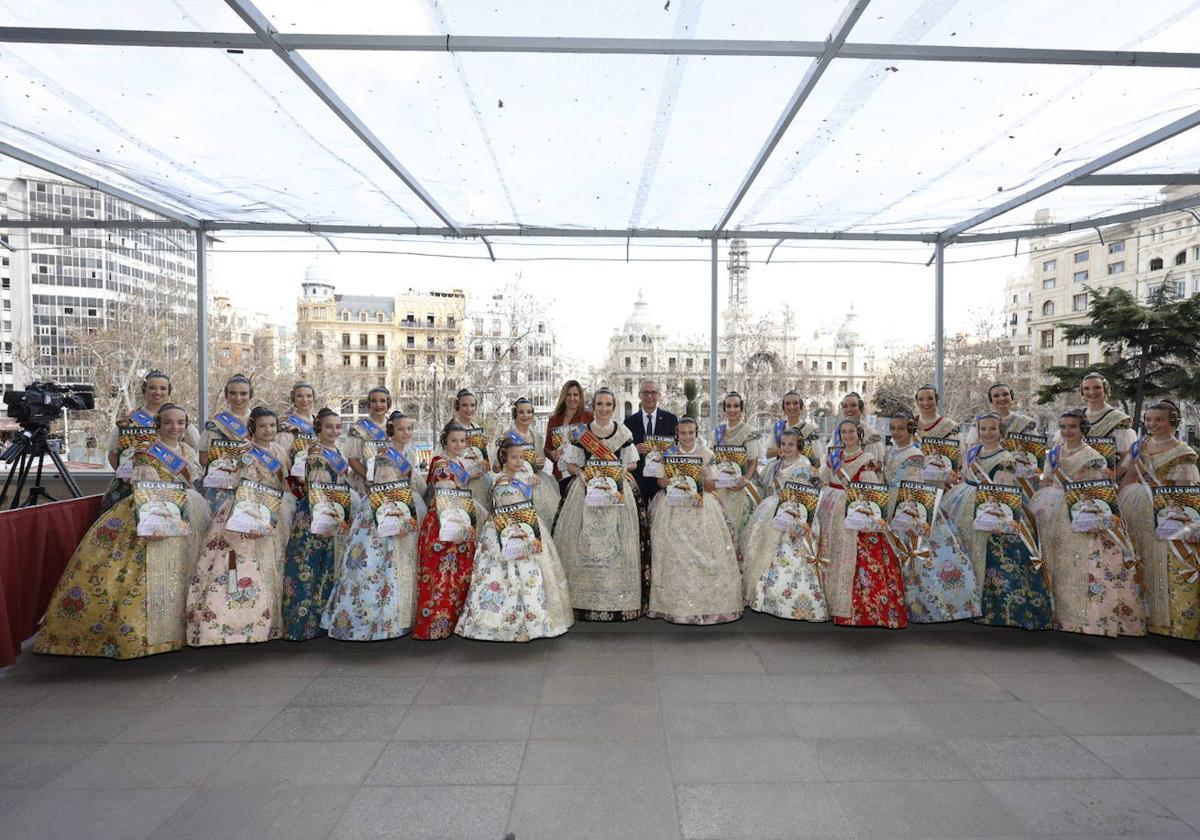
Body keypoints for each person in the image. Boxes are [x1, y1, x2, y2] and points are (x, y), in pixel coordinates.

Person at [36, 404, 209, 659]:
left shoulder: (186, 451)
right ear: (158, 425)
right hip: (154, 511)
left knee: (181, 570)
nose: (175, 427)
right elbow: (144, 488)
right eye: (169, 422)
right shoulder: (146, 452)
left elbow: (192, 480)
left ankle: (178, 629)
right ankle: (143, 634)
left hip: (186, 511)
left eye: (181, 422)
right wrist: (154, 521)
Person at [187, 406, 294, 646]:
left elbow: (284, 483)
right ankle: (240, 625)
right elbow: (241, 485)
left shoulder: (279, 450)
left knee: (276, 563)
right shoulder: (245, 453)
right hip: (247, 511)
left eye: (272, 425)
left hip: (275, 510)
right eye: (263, 426)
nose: (268, 430)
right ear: (252, 428)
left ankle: (273, 622)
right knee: (243, 565)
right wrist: (250, 519)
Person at [1031, 409, 1144, 637]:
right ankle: (1054, 613)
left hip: (1080, 510)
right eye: (1063, 427)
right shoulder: (1053, 452)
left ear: (1083, 428)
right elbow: (1048, 481)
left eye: (1072, 427)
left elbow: (1097, 490)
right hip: (1050, 508)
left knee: (1082, 562)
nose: (1067, 431)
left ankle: (1083, 618)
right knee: (1051, 558)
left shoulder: (1093, 456)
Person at [456, 439, 574, 641]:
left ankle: (535, 619)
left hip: (526, 525)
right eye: (514, 457)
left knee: (533, 575)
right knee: (504, 576)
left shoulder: (523, 476)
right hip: (506, 530)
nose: (519, 461)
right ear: (504, 458)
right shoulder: (501, 481)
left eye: (521, 457)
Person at [322, 410, 422, 641]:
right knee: (377, 565)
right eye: (400, 429)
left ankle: (400, 617)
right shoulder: (385, 455)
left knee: (400, 564)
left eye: (409, 429)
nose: (406, 433)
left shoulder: (410, 452)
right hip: (384, 509)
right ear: (391, 431)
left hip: (404, 505)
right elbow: (385, 487)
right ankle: (374, 620)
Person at [553, 387, 644, 621]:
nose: (604, 409)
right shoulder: (581, 434)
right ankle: (581, 600)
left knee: (620, 544)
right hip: (585, 493)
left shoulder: (623, 432)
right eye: (600, 404)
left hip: (617, 494)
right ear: (593, 408)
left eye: (608, 405)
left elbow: (632, 462)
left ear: (614, 407)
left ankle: (620, 601)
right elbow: (571, 463)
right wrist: (581, 474)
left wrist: (621, 470)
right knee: (581, 542)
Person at [884, 411, 979, 622]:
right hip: (890, 502)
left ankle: (928, 606)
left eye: (901, 428)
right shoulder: (889, 451)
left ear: (910, 430)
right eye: (893, 428)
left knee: (917, 553)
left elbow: (916, 485)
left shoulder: (915, 454)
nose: (897, 432)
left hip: (908, 504)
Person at [1116, 399, 1200, 640]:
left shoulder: (1182, 452)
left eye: (1160, 419)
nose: (1154, 424)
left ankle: (1167, 621)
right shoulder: (1140, 445)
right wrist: (1119, 504)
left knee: (1165, 560)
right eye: (1150, 419)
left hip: (1166, 513)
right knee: (1137, 557)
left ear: (1172, 422)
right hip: (1134, 508)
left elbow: (1184, 490)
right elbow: (1130, 475)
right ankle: (1138, 616)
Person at [646, 416, 742, 625]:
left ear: (696, 433)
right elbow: (660, 481)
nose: (687, 436)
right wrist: (664, 481)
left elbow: (712, 486)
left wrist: (702, 477)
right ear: (677, 434)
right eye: (683, 433)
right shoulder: (668, 454)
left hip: (702, 508)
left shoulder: (707, 455)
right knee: (673, 553)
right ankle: (673, 605)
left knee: (706, 551)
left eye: (691, 432)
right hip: (672, 507)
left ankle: (707, 605)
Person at [818, 419, 907, 628]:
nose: (847, 435)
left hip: (854, 511)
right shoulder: (834, 457)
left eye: (851, 432)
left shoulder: (866, 459)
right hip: (830, 509)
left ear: (859, 435)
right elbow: (823, 478)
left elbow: (871, 491)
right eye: (843, 432)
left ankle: (854, 610)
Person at [280, 407, 355, 641]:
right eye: (329, 426)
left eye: (337, 426)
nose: (334, 431)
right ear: (318, 428)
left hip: (332, 512)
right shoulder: (315, 453)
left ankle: (319, 622)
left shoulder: (336, 450)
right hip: (316, 513)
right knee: (308, 569)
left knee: (327, 567)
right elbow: (319, 488)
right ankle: (301, 626)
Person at [741, 427, 827, 621]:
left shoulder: (803, 465)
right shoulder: (775, 465)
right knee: (761, 550)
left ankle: (791, 601)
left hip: (795, 513)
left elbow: (807, 497)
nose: (786, 448)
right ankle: (764, 598)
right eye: (783, 444)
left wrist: (796, 522)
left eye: (791, 444)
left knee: (790, 555)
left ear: (799, 446)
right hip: (772, 509)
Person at [413, 422, 479, 639]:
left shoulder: (458, 463)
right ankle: (436, 625)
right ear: (445, 441)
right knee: (441, 574)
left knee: (457, 575)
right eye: (454, 440)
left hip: (458, 518)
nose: (458, 444)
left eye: (462, 440)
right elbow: (444, 491)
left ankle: (451, 623)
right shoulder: (441, 464)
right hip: (444, 522)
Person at [491, 396, 560, 525]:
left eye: (529, 412)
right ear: (515, 414)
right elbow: (495, 467)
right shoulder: (506, 436)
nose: (525, 415)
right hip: (513, 484)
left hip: (535, 482)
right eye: (521, 412)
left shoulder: (537, 436)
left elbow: (539, 462)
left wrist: (541, 462)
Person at [710, 392, 764, 541]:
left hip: (745, 483)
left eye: (736, 406)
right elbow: (713, 459)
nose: (732, 410)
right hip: (721, 483)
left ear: (741, 409)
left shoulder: (751, 432)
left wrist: (744, 482)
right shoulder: (717, 432)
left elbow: (753, 461)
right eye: (728, 406)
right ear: (724, 409)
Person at [199, 374, 254, 514]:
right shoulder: (217, 424)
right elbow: (204, 458)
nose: (238, 398)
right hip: (223, 486)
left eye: (243, 393)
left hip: (254, 483)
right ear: (226, 395)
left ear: (250, 394)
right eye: (233, 393)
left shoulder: (262, 421)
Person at [624, 380, 678, 509]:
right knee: (638, 519)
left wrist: (664, 451)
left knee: (657, 520)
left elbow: (675, 449)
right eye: (645, 392)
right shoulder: (629, 422)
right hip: (637, 478)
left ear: (659, 395)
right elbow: (624, 451)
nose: (649, 396)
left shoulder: (671, 419)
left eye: (653, 392)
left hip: (660, 479)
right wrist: (635, 450)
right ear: (639, 395)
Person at [445, 388, 492, 516]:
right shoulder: (451, 427)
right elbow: (444, 459)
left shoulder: (477, 428)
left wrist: (485, 448)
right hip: (460, 484)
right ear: (457, 406)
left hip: (480, 482)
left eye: (472, 405)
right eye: (464, 405)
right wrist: (465, 476)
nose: (469, 409)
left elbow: (486, 460)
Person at [544, 379, 594, 499]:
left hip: (581, 475)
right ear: (563, 396)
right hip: (559, 475)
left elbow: (595, 447)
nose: (572, 398)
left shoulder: (589, 417)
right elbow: (546, 448)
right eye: (568, 394)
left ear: (580, 397)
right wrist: (551, 453)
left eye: (575, 395)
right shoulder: (554, 419)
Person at [345, 386, 392, 497]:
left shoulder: (395, 425)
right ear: (368, 404)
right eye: (374, 401)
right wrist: (371, 478)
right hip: (365, 481)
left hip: (391, 480)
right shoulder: (359, 427)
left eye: (382, 401)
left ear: (388, 404)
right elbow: (352, 460)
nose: (378, 404)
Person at [964, 383, 1038, 447]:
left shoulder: (1025, 423)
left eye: (1005, 394)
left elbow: (1035, 451)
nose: (1002, 398)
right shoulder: (980, 421)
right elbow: (971, 448)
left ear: (1011, 397)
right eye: (996, 396)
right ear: (991, 400)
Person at [764, 391, 823, 467]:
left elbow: (817, 461)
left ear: (801, 407)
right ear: (784, 408)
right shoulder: (778, 428)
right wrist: (782, 451)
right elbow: (768, 454)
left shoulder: (810, 430)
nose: (791, 407)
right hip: (781, 472)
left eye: (795, 403)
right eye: (787, 403)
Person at [830, 392, 884, 463]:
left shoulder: (871, 435)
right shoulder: (836, 433)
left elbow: (877, 463)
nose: (849, 409)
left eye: (853, 405)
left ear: (861, 409)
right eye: (845, 406)